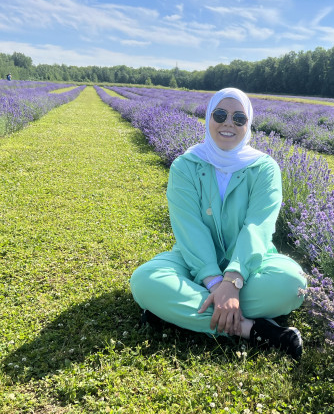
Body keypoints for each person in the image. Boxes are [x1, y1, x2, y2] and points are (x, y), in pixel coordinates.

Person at [130, 88, 306, 360]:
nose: (228, 123)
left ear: (248, 124)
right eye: (220, 115)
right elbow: (189, 228)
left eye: (239, 118)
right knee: (145, 281)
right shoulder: (185, 166)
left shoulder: (264, 168)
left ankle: (173, 312)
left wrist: (233, 279)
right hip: (193, 262)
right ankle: (252, 329)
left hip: (251, 264)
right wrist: (214, 283)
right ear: (208, 118)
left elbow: (257, 227)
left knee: (292, 286)